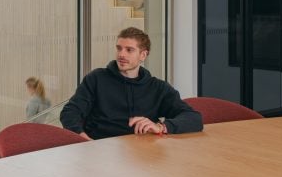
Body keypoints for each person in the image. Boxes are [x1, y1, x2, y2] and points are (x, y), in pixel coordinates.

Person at [60, 27, 202, 140]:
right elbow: (69, 113)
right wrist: (84, 140)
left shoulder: (157, 87)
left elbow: (194, 118)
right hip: (102, 151)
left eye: (129, 50)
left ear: (143, 55)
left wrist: (161, 127)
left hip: (142, 154)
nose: (121, 54)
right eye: (119, 48)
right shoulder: (96, 78)